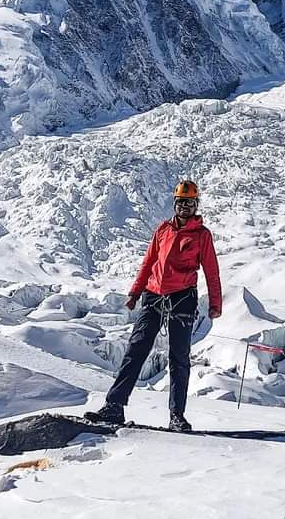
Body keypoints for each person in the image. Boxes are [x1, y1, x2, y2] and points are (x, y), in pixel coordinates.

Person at [85, 180, 222, 431]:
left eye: (189, 203)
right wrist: (135, 292)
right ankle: (114, 406)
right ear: (175, 203)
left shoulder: (202, 236)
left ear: (196, 205)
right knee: (135, 350)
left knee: (179, 357)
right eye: (181, 202)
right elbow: (148, 263)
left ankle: (176, 416)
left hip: (182, 298)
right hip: (153, 296)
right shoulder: (163, 229)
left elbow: (211, 271)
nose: (185, 207)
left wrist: (215, 303)